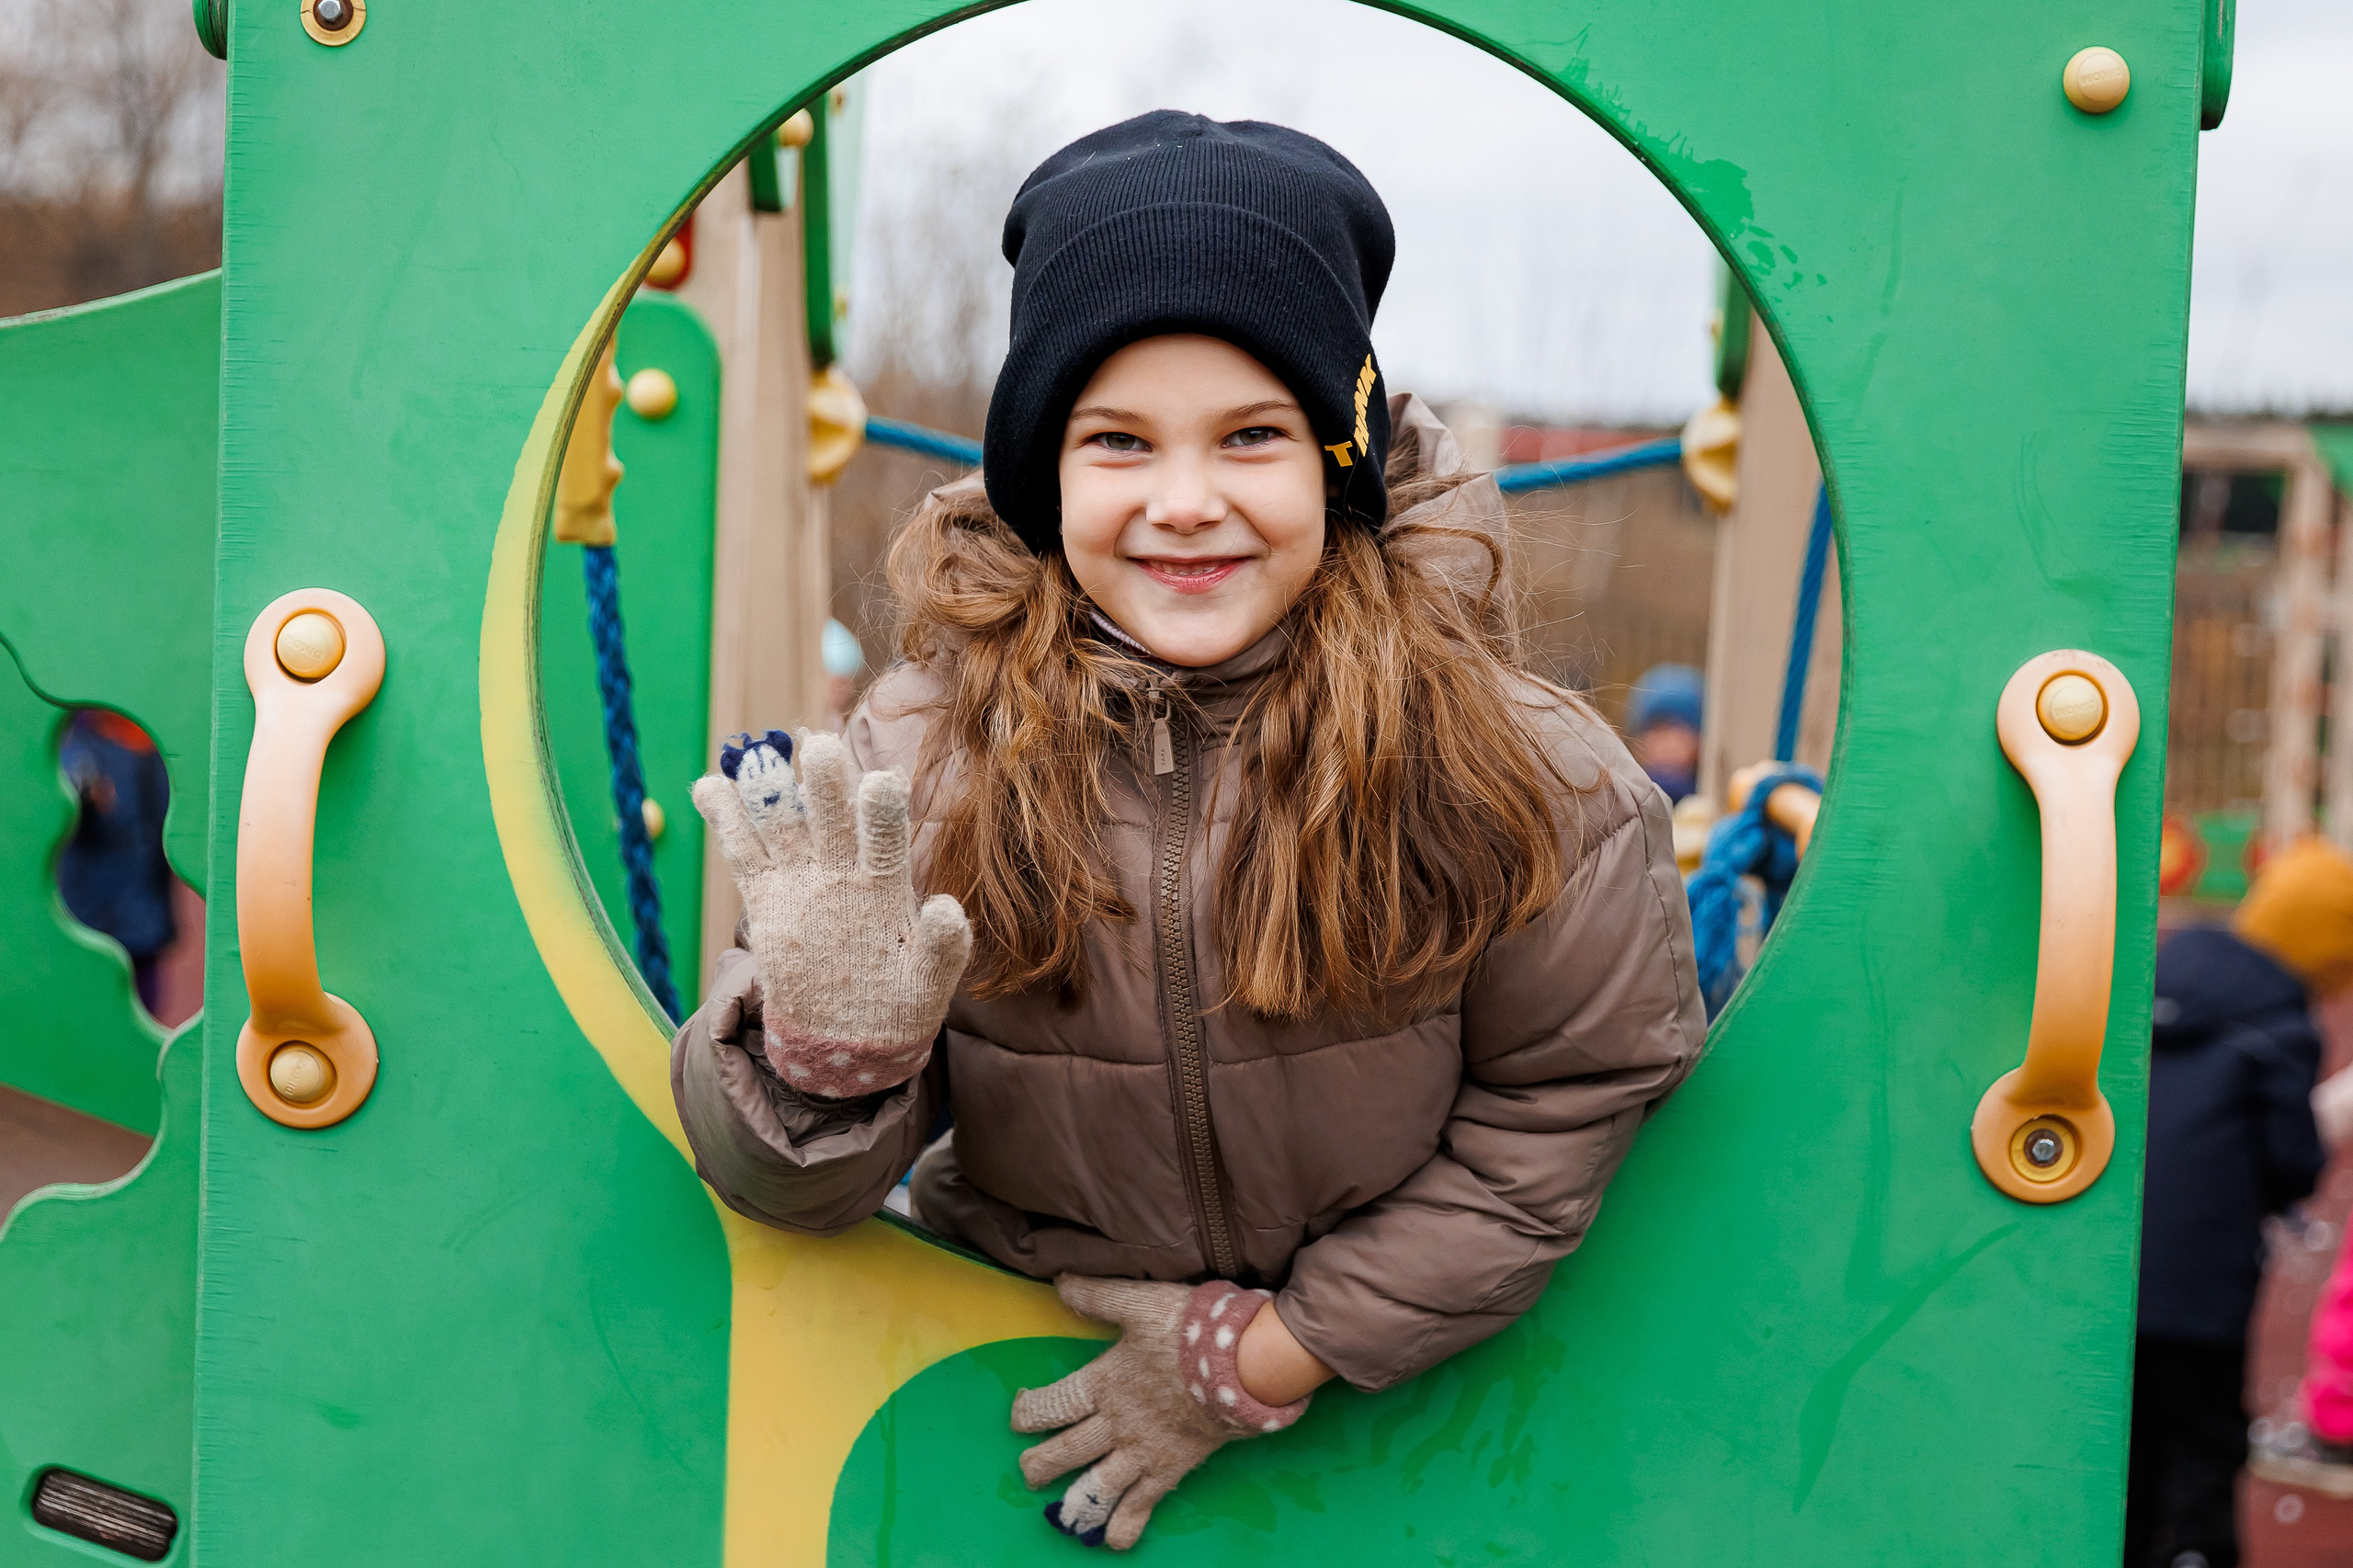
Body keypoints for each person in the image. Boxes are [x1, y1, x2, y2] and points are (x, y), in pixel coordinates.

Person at [672, 111, 1704, 1551]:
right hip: (1010, 1407)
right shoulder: (928, 762)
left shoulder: (1520, 774)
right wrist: (823, 1066)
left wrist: (1260, 1356)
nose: (1184, 501)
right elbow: (791, 1184)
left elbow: (1570, 1104)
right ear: (1044, 472)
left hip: (1410, 1424)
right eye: (1117, 441)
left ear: (1336, 459)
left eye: (1252, 436)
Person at [2131, 839, 2350, 1568]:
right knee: (2202, 1445)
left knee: (2120, 1450)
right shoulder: (2283, 1027)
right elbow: (2292, 1164)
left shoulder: (2158, 977)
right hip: (2202, 1293)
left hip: (2111, 1265)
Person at [1624, 663, 1703, 803]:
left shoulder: (1711, 798)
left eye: (1677, 727)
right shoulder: (1622, 797)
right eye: (1656, 729)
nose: (1667, 743)